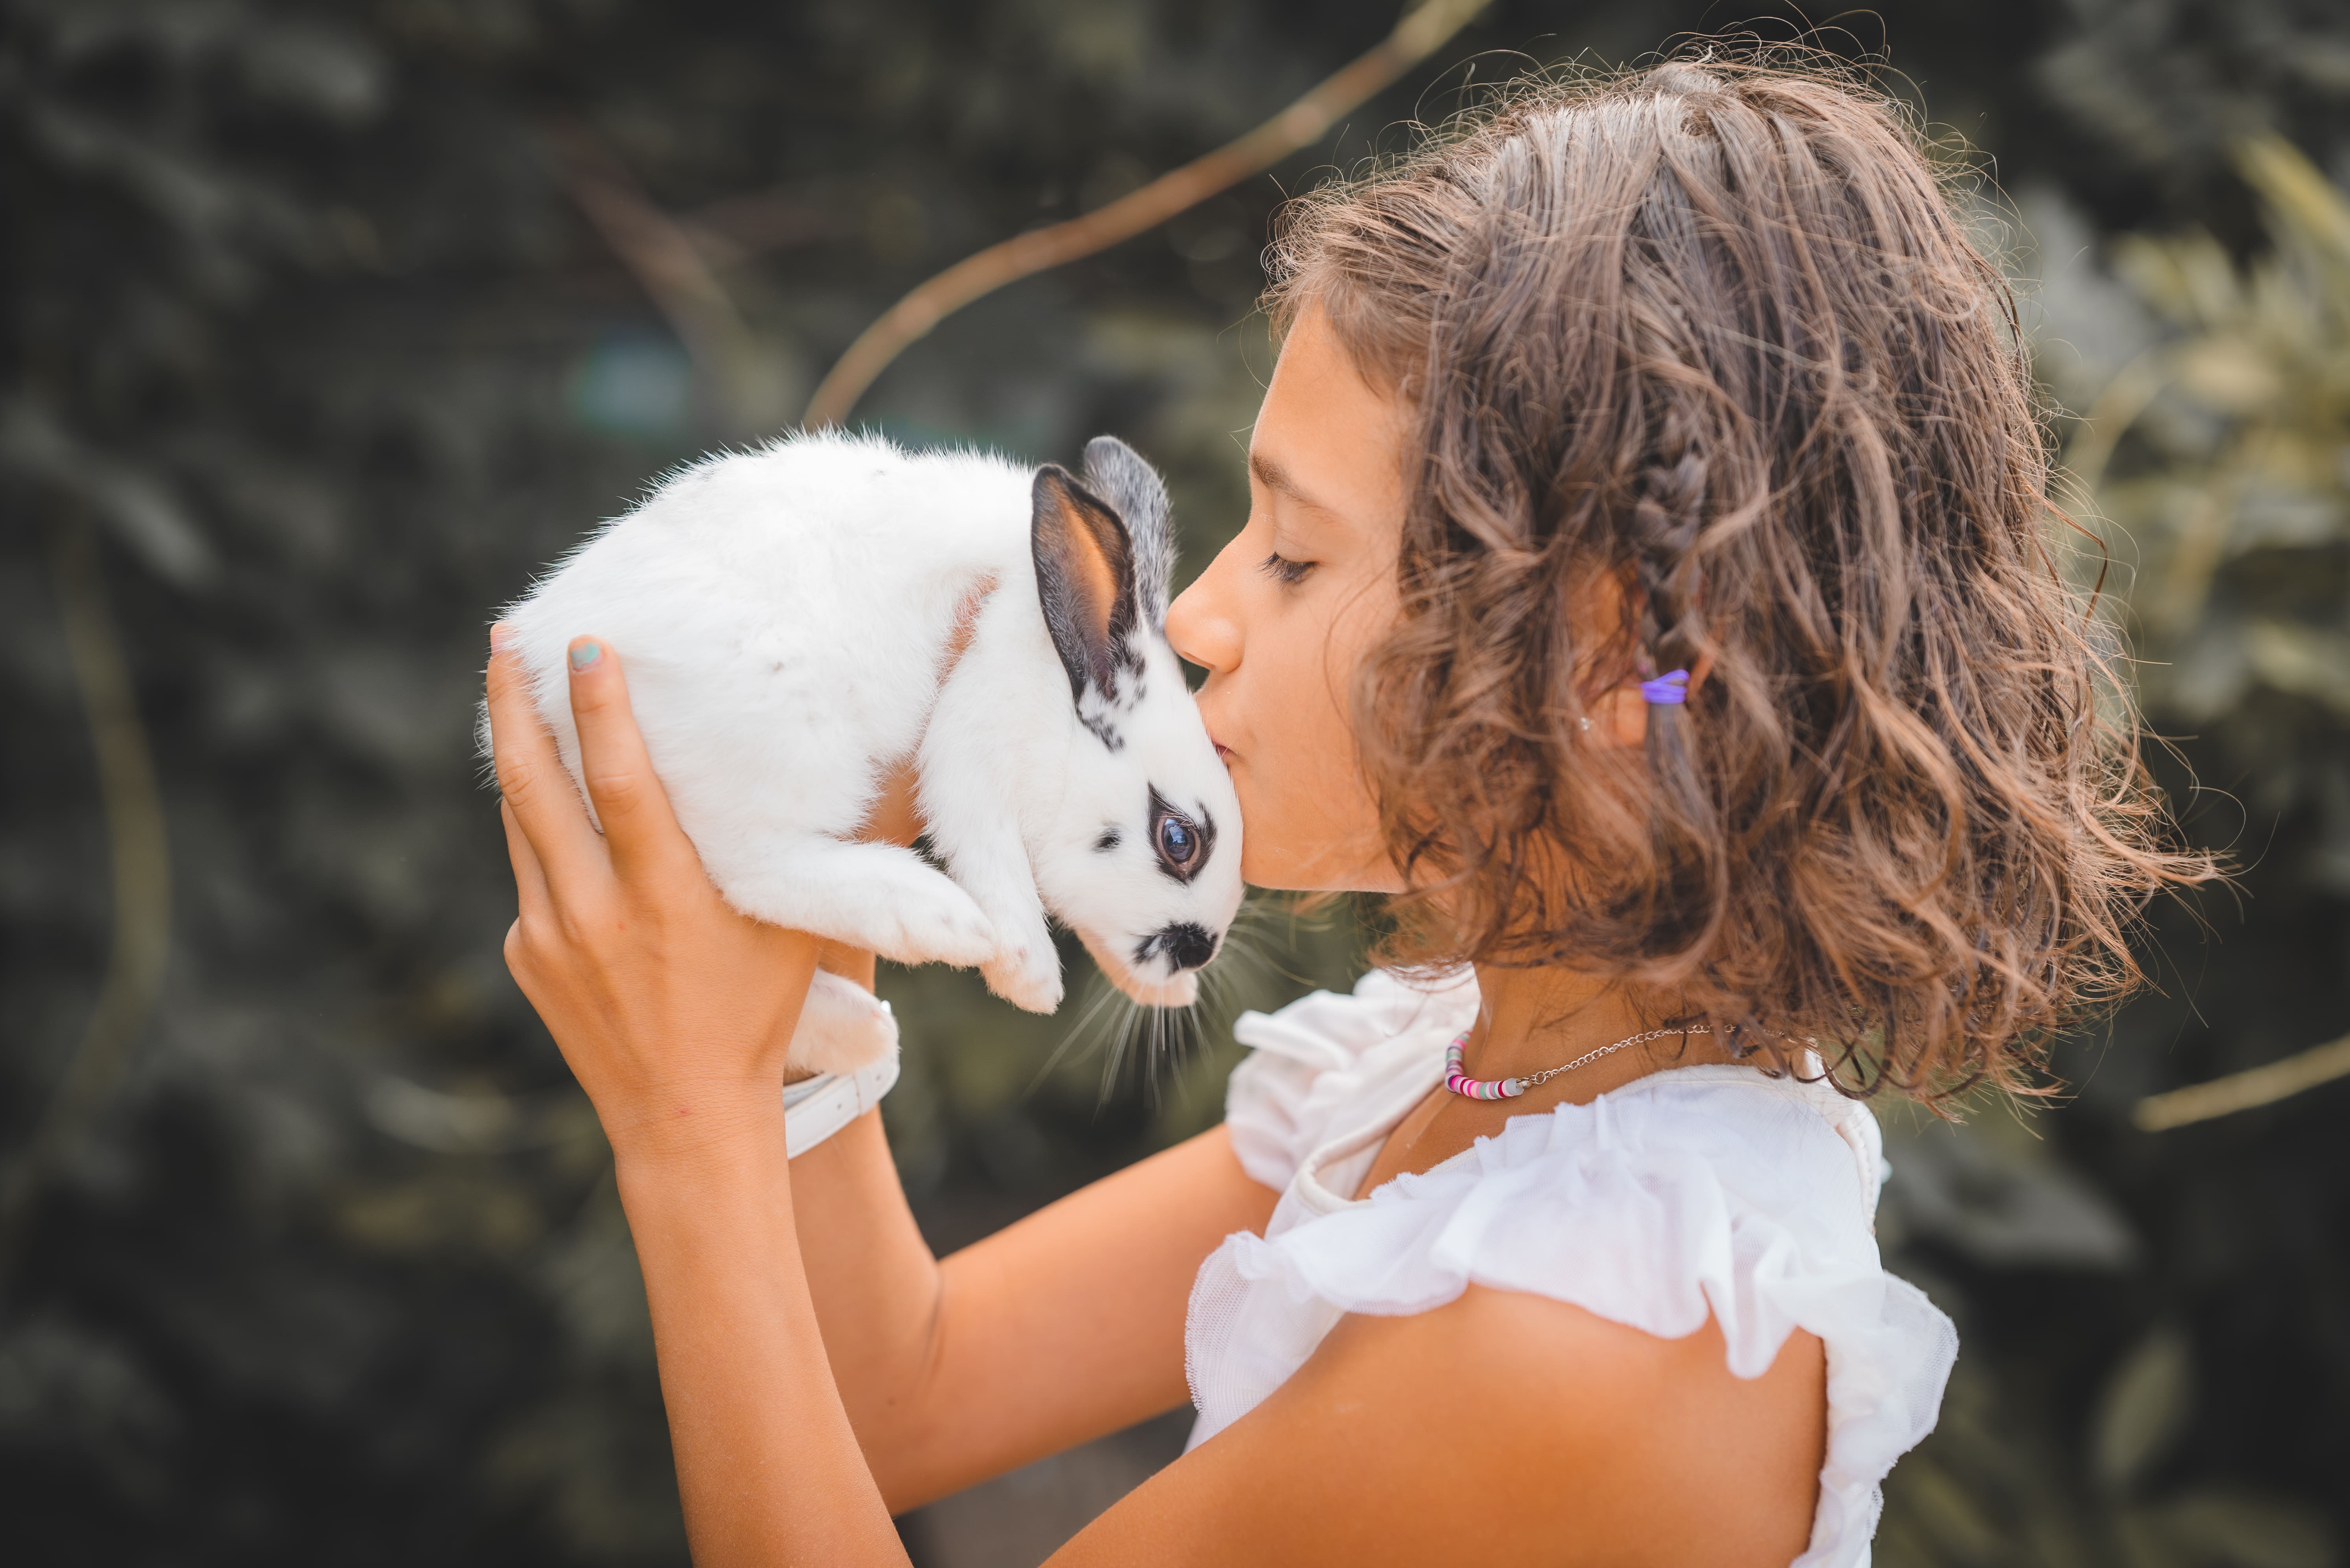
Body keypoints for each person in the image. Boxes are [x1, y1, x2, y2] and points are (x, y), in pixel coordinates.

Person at [481, 59, 2200, 1566]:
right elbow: (896, 1391)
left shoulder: (1596, 1325)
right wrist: (801, 939)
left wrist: (686, 1135)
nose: (1198, 622)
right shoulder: (1474, 1074)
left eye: (1294, 555)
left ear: (1613, 654)